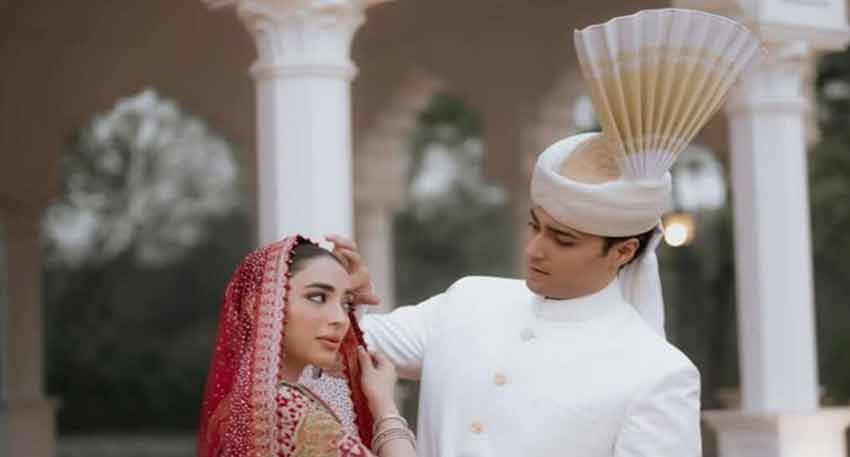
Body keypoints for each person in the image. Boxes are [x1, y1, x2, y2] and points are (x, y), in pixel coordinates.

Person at [332, 8, 763, 457]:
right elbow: (339, 349)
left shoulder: (656, 372)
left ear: (623, 250)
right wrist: (344, 298)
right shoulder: (467, 302)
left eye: (564, 240)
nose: (535, 249)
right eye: (536, 227)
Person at [197, 236, 417, 457]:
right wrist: (385, 407)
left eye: (346, 303)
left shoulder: (240, 407)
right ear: (258, 306)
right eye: (318, 297)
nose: (341, 319)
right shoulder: (286, 408)